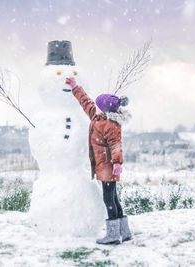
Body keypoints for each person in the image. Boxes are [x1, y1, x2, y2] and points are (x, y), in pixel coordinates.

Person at [66, 77, 132, 245]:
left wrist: (117, 163)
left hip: (108, 167)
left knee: (108, 199)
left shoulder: (111, 124)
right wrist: (75, 88)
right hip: (104, 166)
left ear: (105, 108)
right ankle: (124, 233)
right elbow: (87, 104)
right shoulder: (99, 118)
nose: (95, 106)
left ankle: (113, 235)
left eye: (99, 104)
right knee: (114, 198)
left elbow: (116, 145)